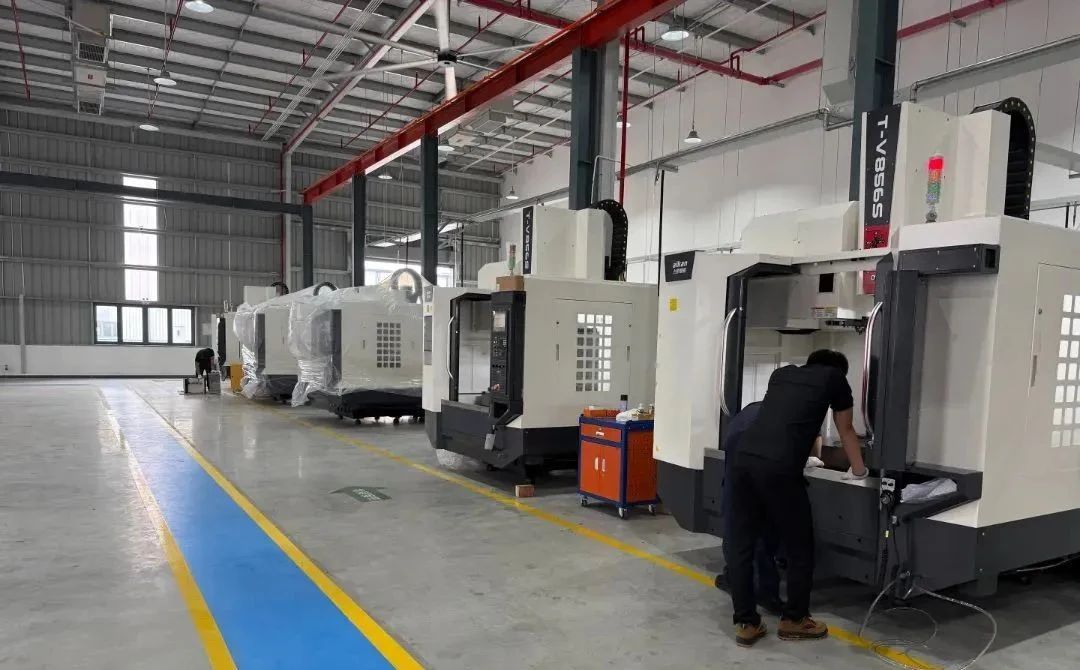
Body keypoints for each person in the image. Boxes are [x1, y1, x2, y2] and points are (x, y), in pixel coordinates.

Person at [726, 349, 868, 648]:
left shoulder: (782, 374)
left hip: (743, 462)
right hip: (779, 469)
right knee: (799, 545)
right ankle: (795, 619)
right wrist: (859, 471)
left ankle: (746, 623)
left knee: (741, 544)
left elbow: (790, 423)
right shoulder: (834, 378)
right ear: (838, 371)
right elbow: (846, 428)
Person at [714, 401, 784, 617]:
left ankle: (738, 580)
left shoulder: (754, 409)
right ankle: (764, 592)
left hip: (739, 471)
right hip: (755, 467)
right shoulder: (797, 412)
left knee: (738, 529)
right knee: (761, 530)